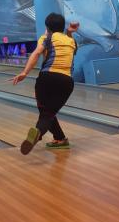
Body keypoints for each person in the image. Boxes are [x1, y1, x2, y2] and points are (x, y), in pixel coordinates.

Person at [10, 13, 78, 155]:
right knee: (49, 113)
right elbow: (74, 51)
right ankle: (60, 139)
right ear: (63, 27)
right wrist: (69, 33)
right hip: (66, 81)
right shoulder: (71, 41)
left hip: (46, 78)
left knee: (45, 112)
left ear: (47, 28)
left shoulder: (46, 38)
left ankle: (38, 132)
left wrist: (24, 72)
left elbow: (36, 53)